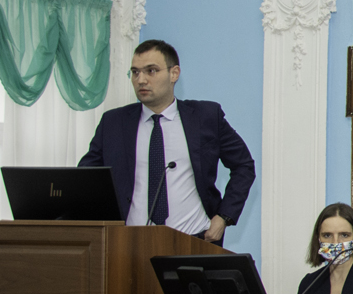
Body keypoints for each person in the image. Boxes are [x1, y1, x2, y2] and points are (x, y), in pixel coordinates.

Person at [78, 39, 254, 243]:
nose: (141, 80)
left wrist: (224, 217)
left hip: (195, 240)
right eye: (135, 72)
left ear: (174, 73)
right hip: (130, 242)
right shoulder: (114, 123)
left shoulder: (205, 117)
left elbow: (243, 165)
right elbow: (86, 177)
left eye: (151, 71)